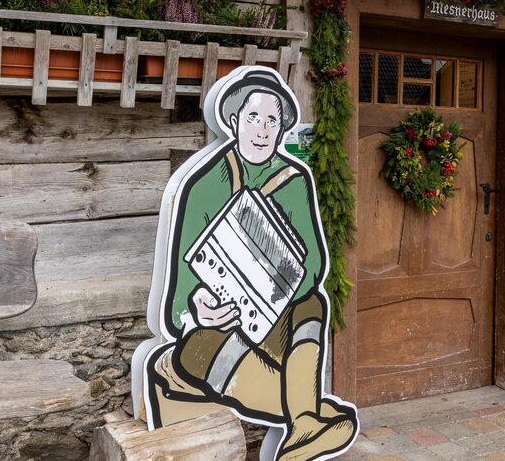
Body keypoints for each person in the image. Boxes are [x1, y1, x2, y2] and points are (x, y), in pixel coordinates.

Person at [143, 68, 357, 461]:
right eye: (253, 118)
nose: (262, 130)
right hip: (214, 334)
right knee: (203, 347)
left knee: (312, 304)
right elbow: (175, 300)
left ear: (280, 130)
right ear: (235, 120)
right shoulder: (205, 183)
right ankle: (308, 419)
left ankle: (303, 424)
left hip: (272, 325)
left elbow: (313, 267)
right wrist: (200, 308)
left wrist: (276, 286)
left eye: (271, 120)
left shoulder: (294, 180)